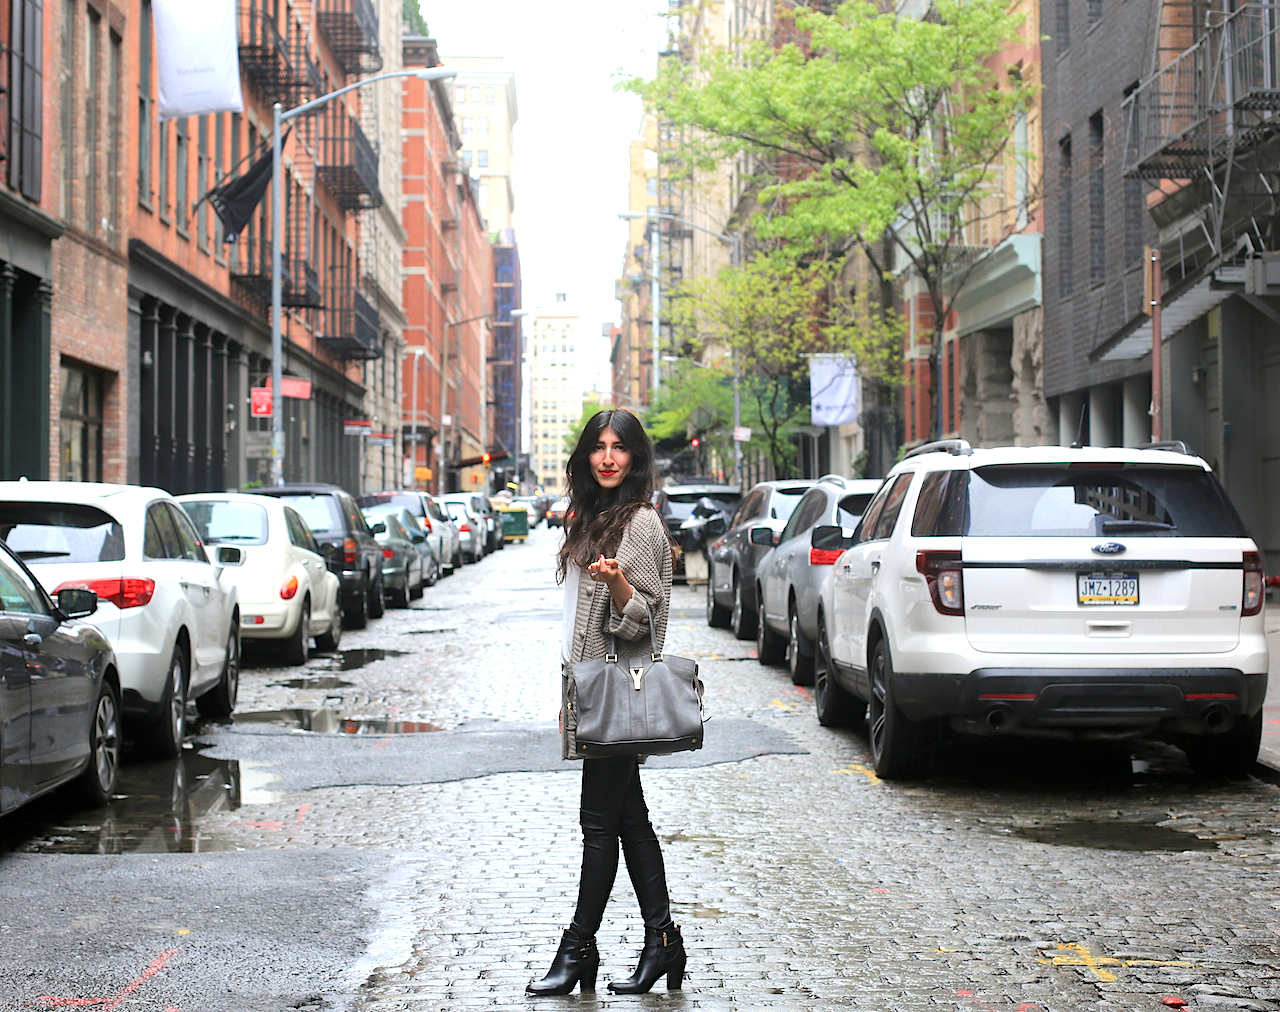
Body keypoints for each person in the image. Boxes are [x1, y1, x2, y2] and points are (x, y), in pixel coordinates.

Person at [526, 408, 685, 997]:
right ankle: (662, 943)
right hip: (591, 689)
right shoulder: (590, 521)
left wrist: (617, 582)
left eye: (620, 447)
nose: (609, 457)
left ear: (637, 458)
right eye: (599, 446)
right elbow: (573, 622)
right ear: (586, 456)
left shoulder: (639, 523)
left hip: (617, 692)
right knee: (628, 820)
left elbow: (647, 624)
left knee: (599, 826)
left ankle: (578, 949)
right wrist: (567, 693)